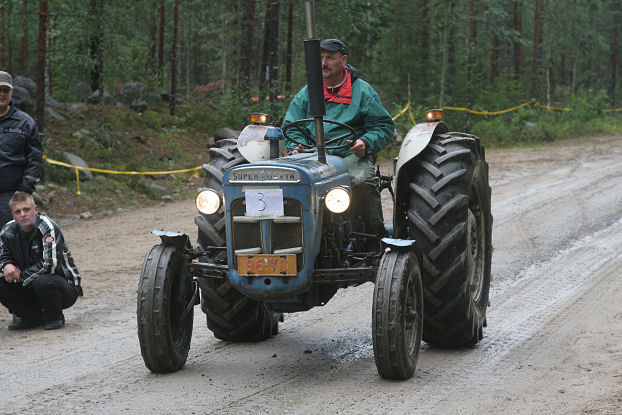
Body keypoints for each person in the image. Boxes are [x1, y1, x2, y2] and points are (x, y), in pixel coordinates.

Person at [282, 38, 393, 241]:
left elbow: (383, 126)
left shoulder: (362, 91)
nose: (323, 63)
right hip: (310, 155)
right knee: (283, 182)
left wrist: (366, 143)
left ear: (343, 60)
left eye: (330, 58)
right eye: (320, 58)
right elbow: (292, 125)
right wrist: (294, 146)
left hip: (348, 155)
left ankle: (373, 237)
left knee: (362, 182)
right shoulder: (308, 92)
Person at [0, 191, 82, 330]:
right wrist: (6, 265)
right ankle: (31, 317)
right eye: (18, 211)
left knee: (44, 281)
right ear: (13, 215)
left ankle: (54, 317)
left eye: (26, 209)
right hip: (30, 285)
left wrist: (21, 275)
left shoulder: (48, 227)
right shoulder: (7, 231)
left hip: (62, 286)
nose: (23, 214)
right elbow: (2, 256)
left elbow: (50, 264)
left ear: (35, 210)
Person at [0, 71, 43, 229]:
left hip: (12, 196)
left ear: (11, 92)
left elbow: (35, 159)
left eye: (6, 90)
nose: (2, 94)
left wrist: (24, 191)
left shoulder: (24, 122)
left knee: (13, 243)